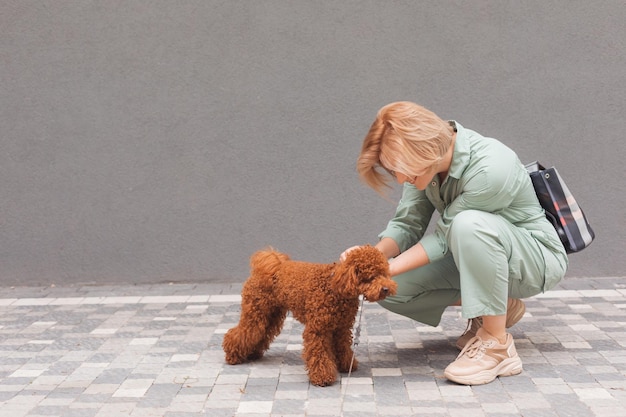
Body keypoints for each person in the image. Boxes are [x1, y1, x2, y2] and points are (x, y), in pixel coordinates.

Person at [341, 101, 568, 385]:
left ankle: (497, 346)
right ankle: (499, 306)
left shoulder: (491, 167)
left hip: (534, 259)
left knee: (468, 224)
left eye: (399, 169)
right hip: (474, 252)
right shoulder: (426, 164)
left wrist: (386, 268)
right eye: (393, 171)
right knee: (391, 289)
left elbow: (447, 237)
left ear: (422, 148)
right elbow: (407, 224)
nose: (400, 178)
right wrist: (369, 260)